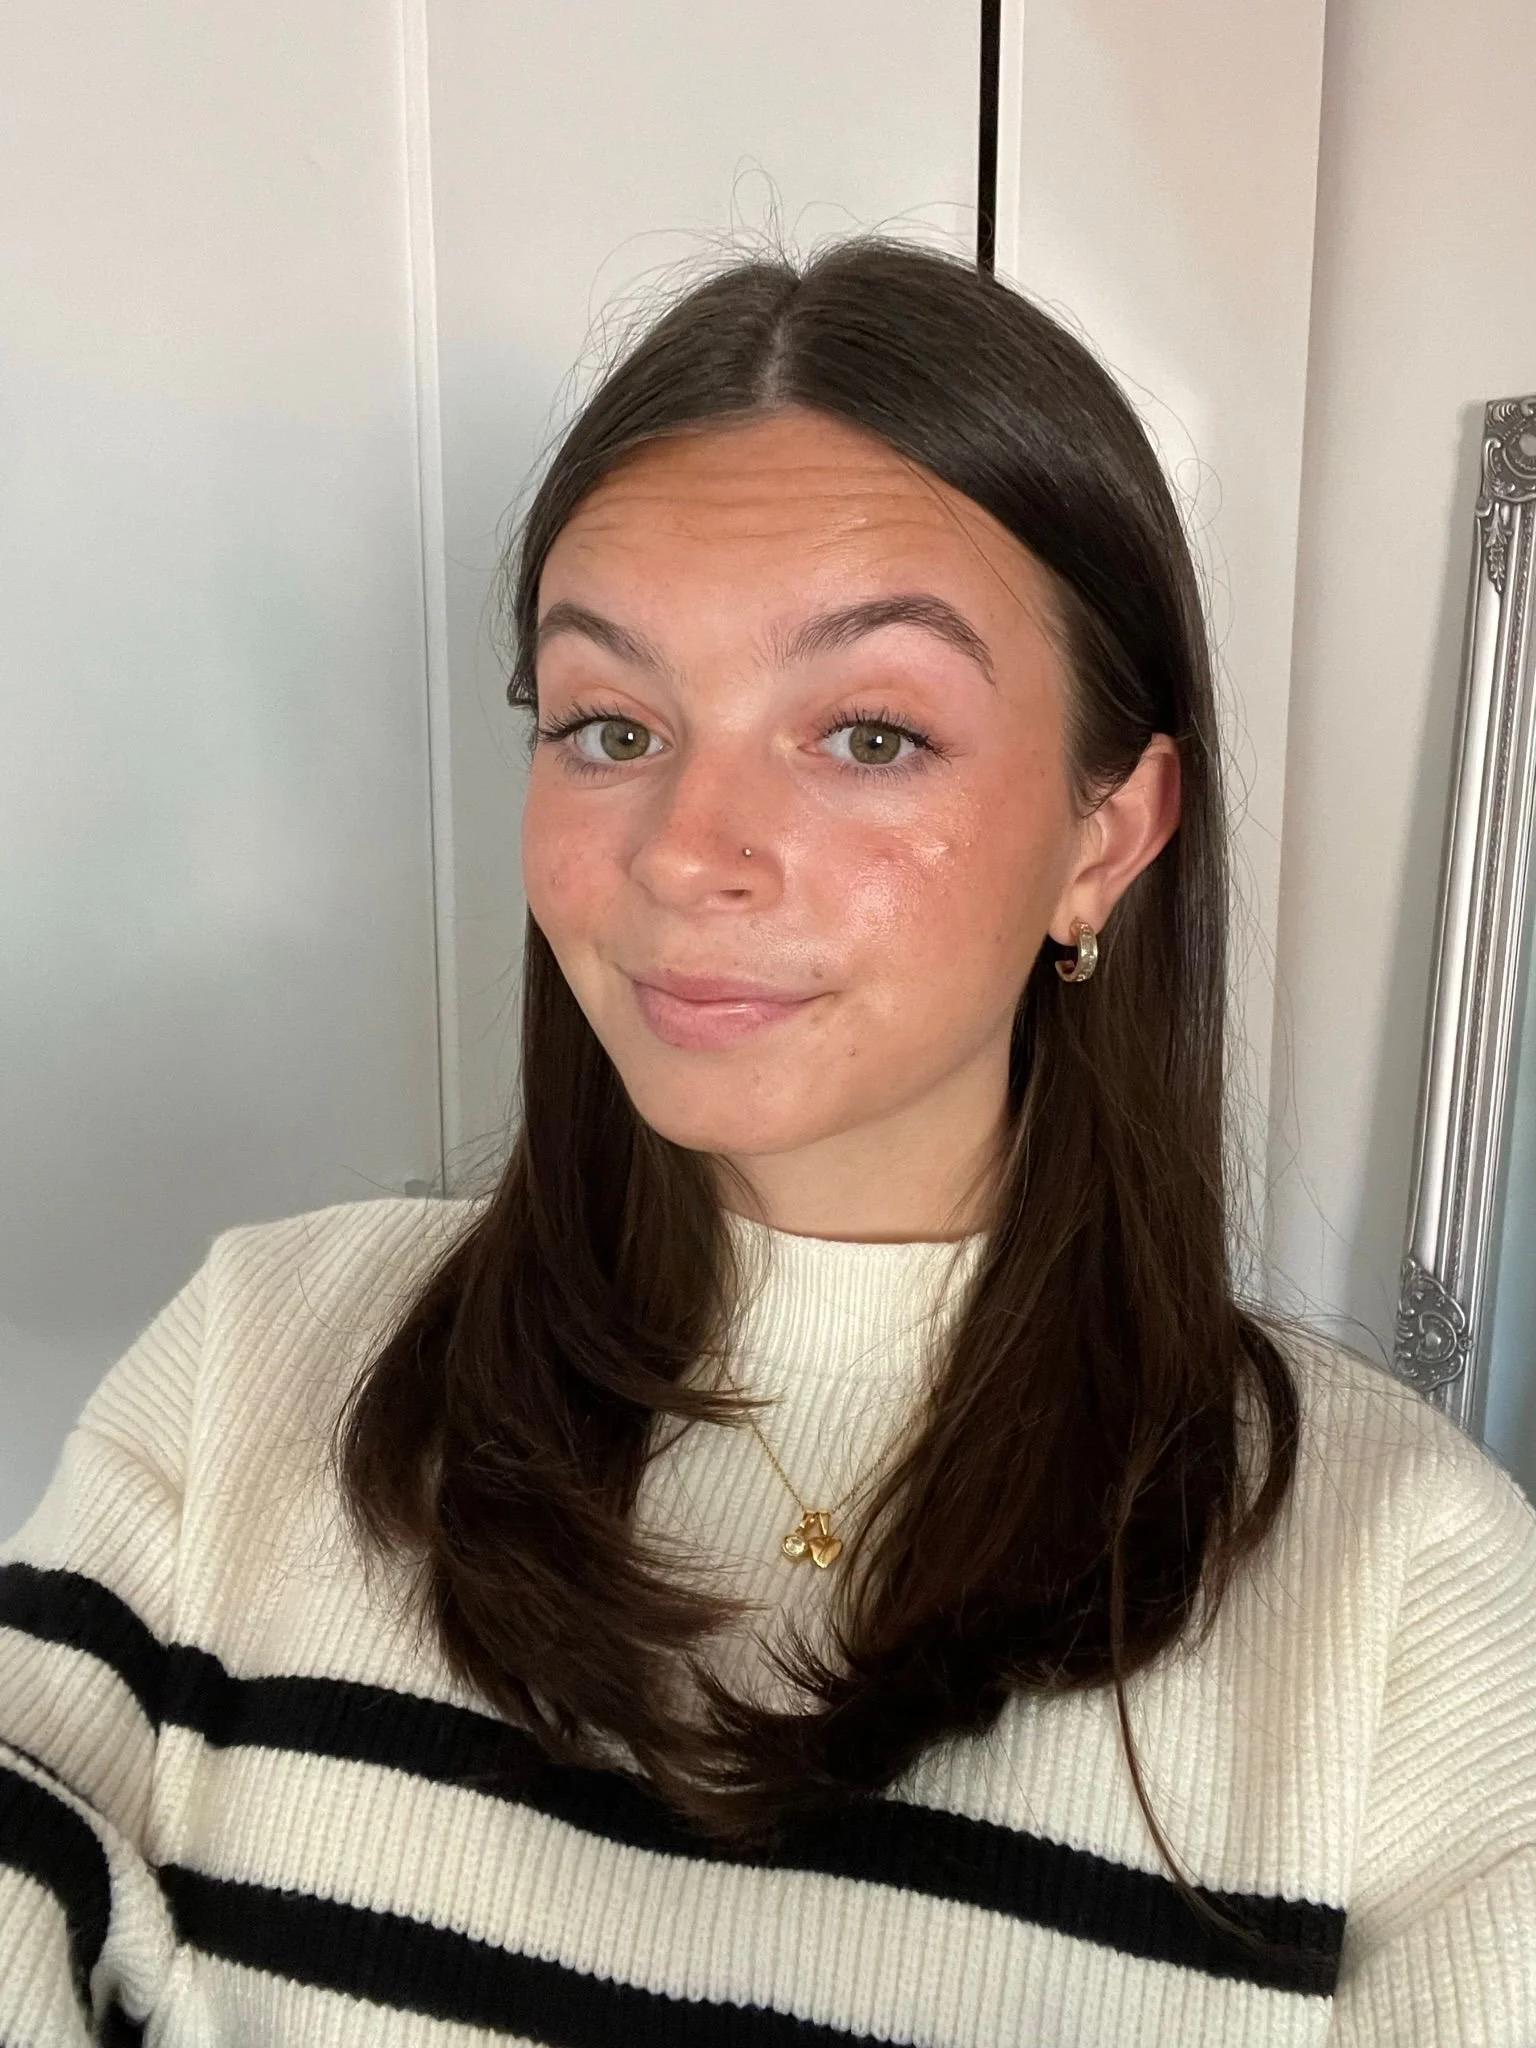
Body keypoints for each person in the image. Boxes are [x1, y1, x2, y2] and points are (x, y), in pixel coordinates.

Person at [3, 236, 1534, 2048]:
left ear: (1107, 836)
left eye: (869, 734)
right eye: (609, 725)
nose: (682, 851)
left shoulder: (1409, 1599)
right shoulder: (258, 1362)